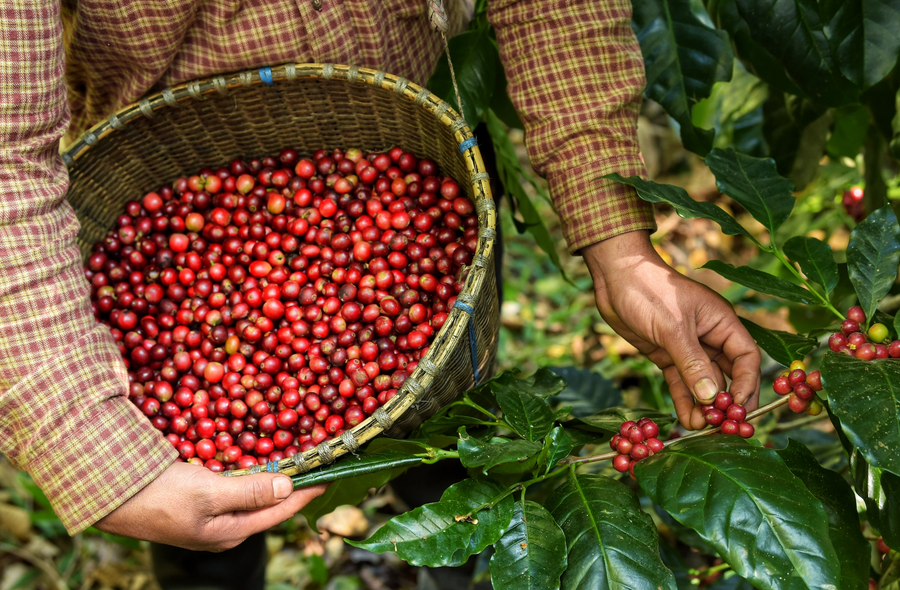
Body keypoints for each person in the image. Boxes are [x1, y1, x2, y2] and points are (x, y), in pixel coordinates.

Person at [0, 0, 760, 565]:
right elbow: (6, 156)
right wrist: (96, 452)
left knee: (451, 445)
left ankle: (453, 555)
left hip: (407, 130)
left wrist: (619, 246)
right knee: (200, 523)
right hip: (161, 143)